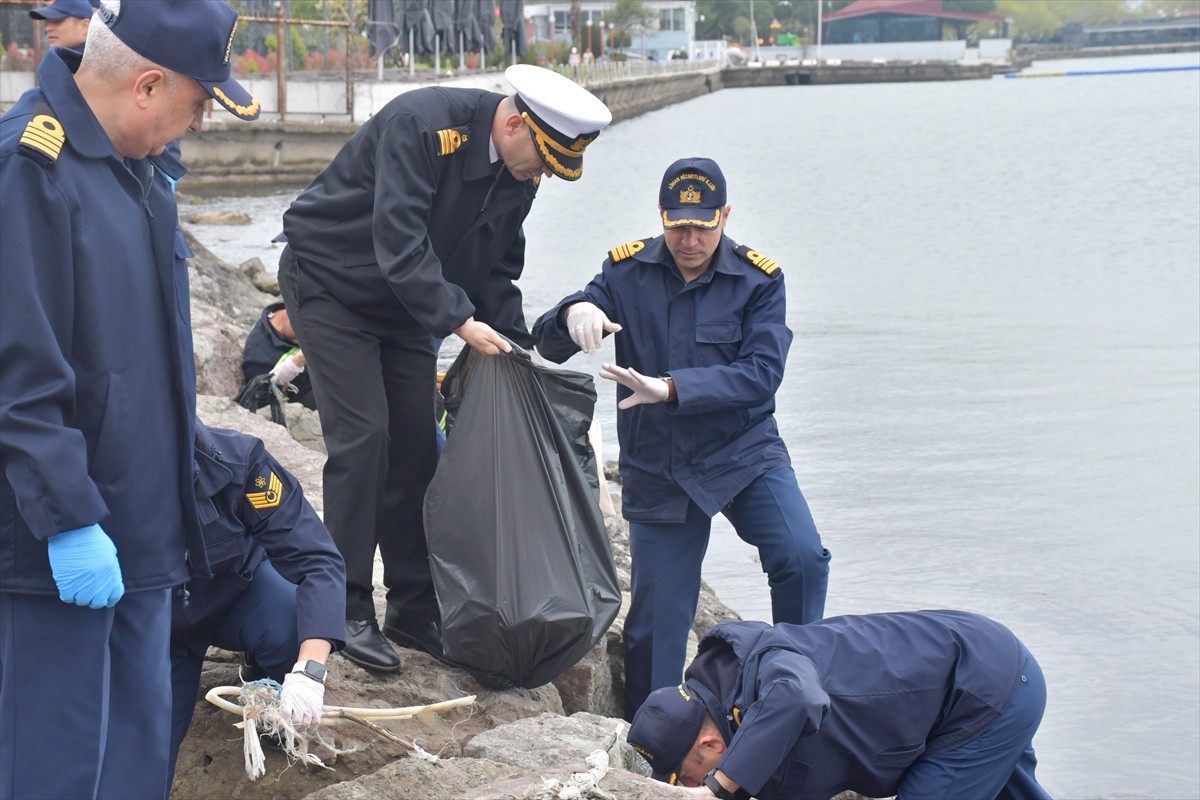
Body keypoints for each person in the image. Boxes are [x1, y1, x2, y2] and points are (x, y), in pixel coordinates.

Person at [0, 1, 260, 797]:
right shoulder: (32, 169)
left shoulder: (141, 167)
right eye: (200, 101)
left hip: (147, 536)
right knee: (55, 766)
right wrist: (72, 522)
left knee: (138, 761)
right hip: (60, 547)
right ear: (147, 84)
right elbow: (21, 374)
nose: (203, 122)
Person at [277, 65, 611, 673]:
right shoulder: (422, 125)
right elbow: (398, 240)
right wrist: (459, 322)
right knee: (364, 439)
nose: (542, 177)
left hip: (407, 305)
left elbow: (495, 267)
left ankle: (412, 605)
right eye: (542, 162)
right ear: (513, 123)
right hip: (333, 284)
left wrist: (515, 349)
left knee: (414, 447)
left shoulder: (521, 168)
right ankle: (346, 608)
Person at [532, 157, 831, 719]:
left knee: (802, 556)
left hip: (742, 451)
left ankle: (795, 687)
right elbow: (548, 343)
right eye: (677, 226)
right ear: (661, 217)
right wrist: (576, 310)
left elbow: (762, 374)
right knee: (655, 626)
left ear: (726, 215)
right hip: (659, 462)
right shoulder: (625, 272)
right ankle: (655, 737)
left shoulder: (759, 280)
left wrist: (670, 387)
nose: (689, 239)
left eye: (702, 226)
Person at [626, 612, 1052, 800]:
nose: (685, 790)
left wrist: (717, 787)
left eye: (682, 779)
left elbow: (799, 697)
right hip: (969, 682)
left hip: (983, 687)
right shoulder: (730, 710)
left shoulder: (770, 670)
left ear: (710, 742)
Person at [169, 422, 345, 782]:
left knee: (293, 625)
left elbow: (318, 560)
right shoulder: (108, 472)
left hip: (235, 593)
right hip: (154, 624)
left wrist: (309, 672)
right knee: (148, 745)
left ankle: (268, 690)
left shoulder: (241, 463)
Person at [239, 301, 317, 411]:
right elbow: (260, 400)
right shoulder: (258, 355)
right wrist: (295, 363)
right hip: (308, 394)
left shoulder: (301, 304)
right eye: (304, 333)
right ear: (289, 315)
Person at [29, 0, 94, 52]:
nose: (47, 28)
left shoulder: (97, 64)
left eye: (57, 20)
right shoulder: (63, 61)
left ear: (84, 26)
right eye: (47, 22)